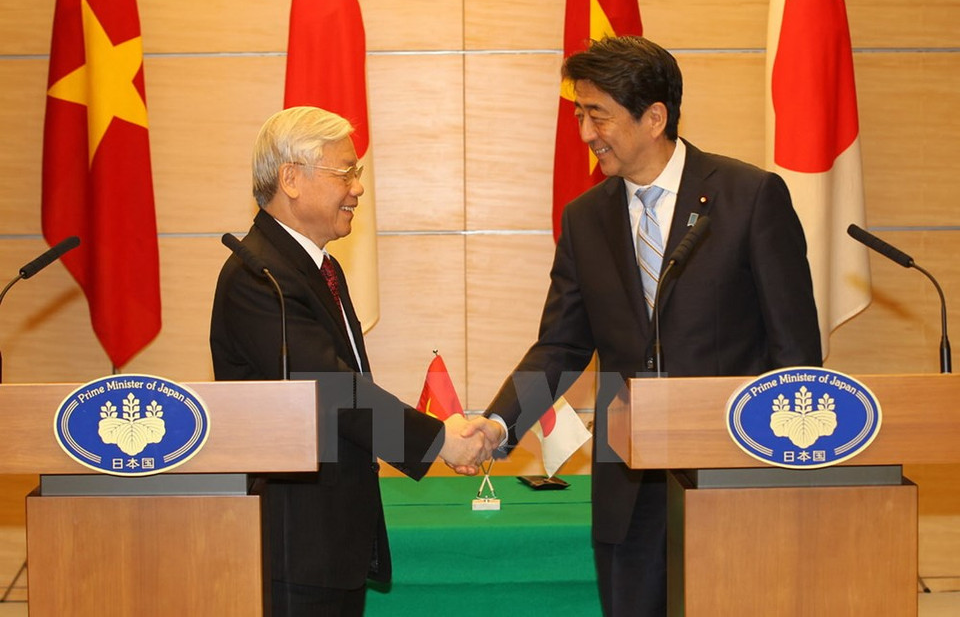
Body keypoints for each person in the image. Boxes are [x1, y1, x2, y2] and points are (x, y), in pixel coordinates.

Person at [478, 36, 822, 616]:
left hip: (732, 475)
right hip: (629, 487)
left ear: (654, 116)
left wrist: (786, 468)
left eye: (598, 115)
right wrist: (496, 423)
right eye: (580, 114)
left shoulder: (749, 196)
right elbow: (561, 343)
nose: (586, 133)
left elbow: (796, 351)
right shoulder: (585, 218)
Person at [210, 106, 499, 617]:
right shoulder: (259, 278)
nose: (358, 188)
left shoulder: (319, 268)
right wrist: (439, 439)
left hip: (331, 540)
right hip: (292, 547)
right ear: (292, 179)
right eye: (345, 171)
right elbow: (330, 389)